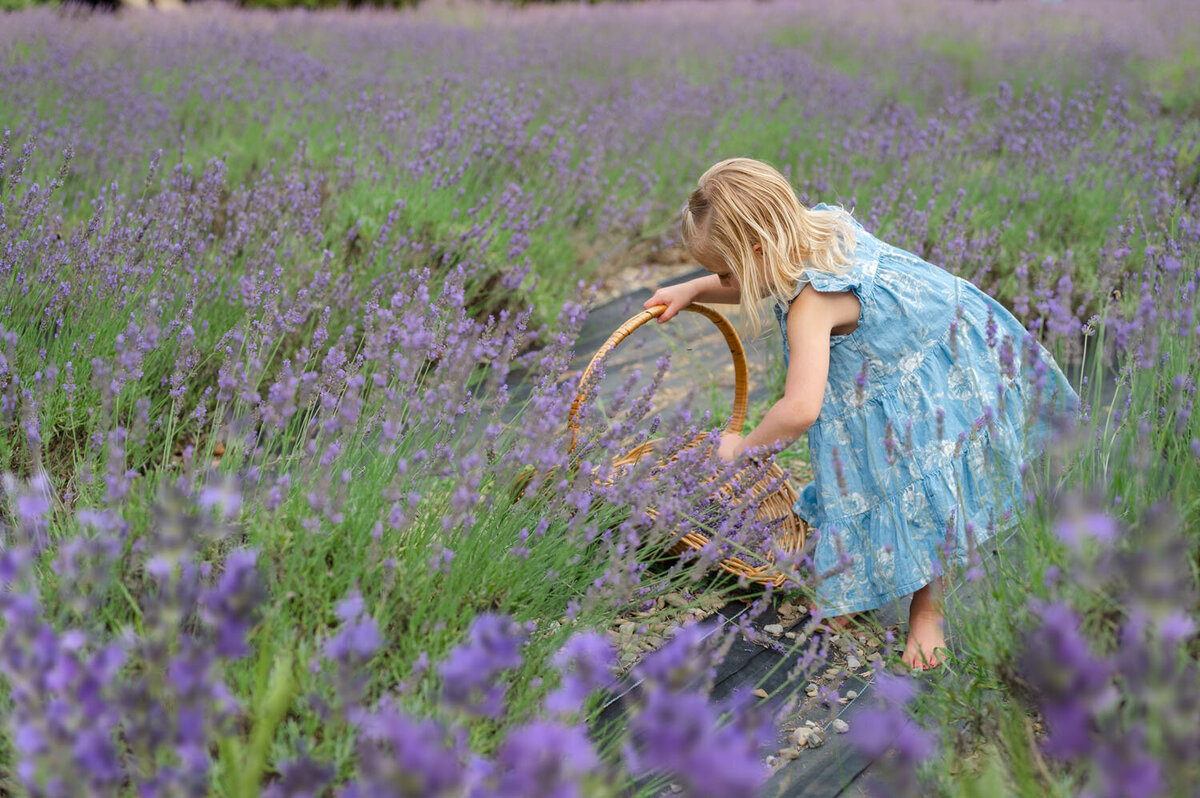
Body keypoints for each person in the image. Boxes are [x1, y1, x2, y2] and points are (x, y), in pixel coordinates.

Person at [644, 157, 1079, 669]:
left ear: (759, 250)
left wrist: (742, 450)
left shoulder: (814, 303)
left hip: (937, 371)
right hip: (906, 359)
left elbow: (800, 408)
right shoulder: (817, 223)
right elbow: (759, 279)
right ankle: (857, 586)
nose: (722, 279)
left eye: (722, 271)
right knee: (860, 477)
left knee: (924, 486)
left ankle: (927, 611)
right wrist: (695, 287)